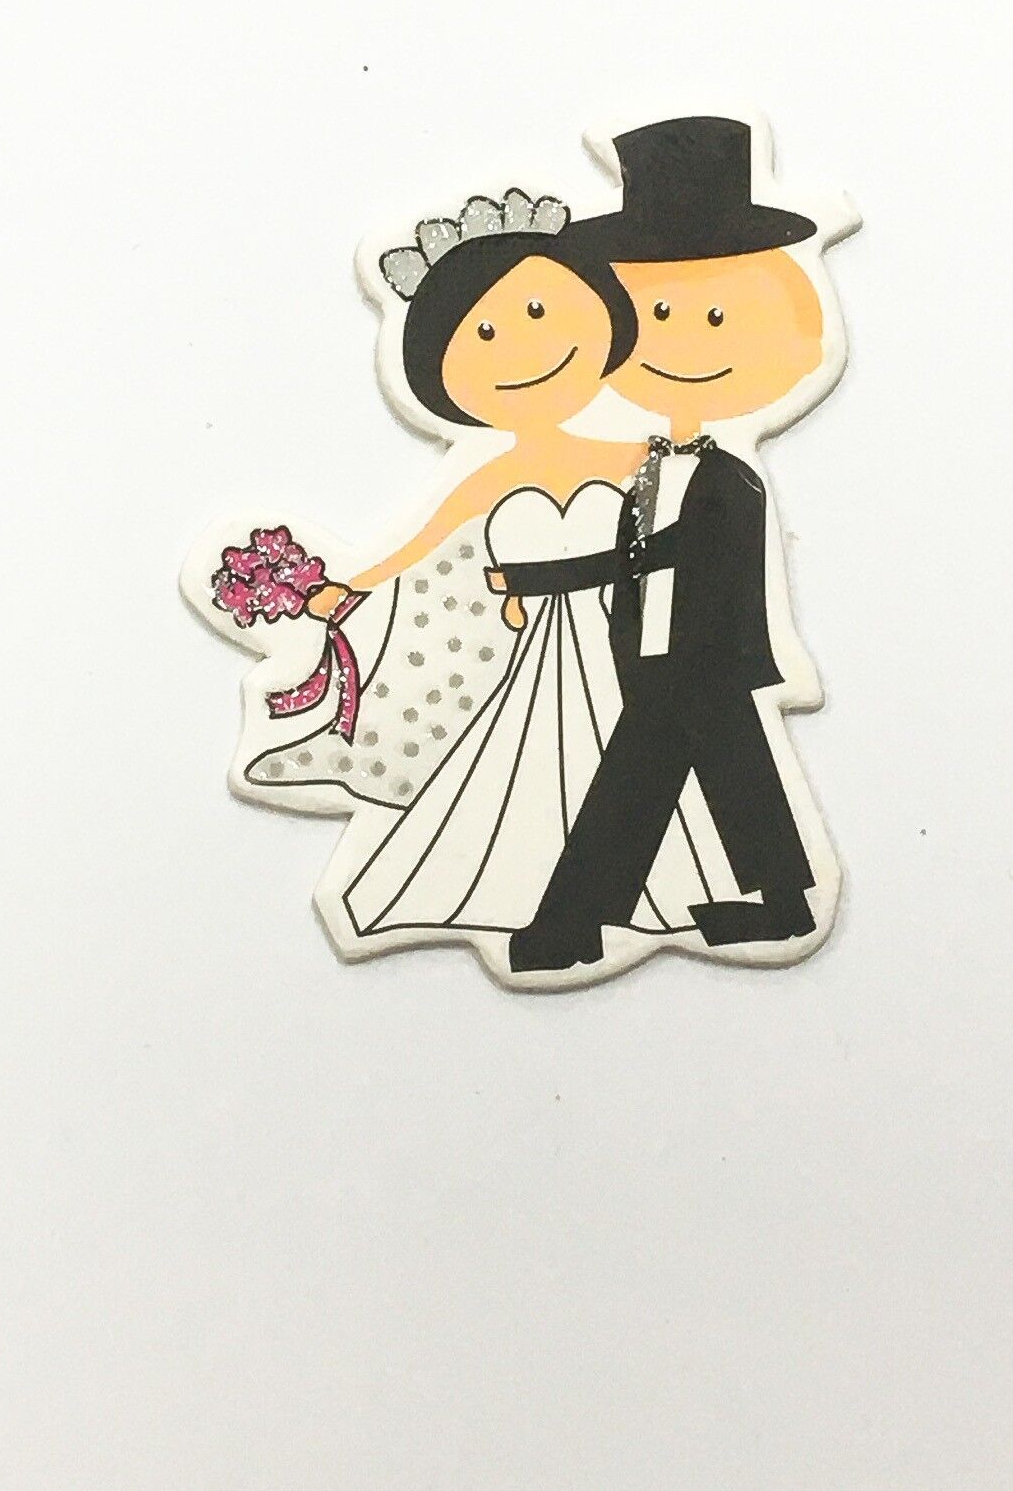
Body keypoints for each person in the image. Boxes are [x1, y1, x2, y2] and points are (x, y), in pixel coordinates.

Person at [276, 189, 740, 941]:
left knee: (643, 759)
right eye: (485, 333)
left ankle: (647, 889)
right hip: (543, 650)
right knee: (537, 762)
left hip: (632, 642)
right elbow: (417, 545)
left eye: (537, 312)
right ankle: (549, 893)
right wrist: (344, 587)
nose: (523, 346)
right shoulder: (489, 476)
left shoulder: (638, 454)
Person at [489, 118, 828, 972]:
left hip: (701, 662)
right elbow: (641, 563)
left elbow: (657, 558)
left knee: (640, 791)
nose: (681, 339)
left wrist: (539, 575)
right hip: (658, 661)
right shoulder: (648, 470)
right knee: (731, 785)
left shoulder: (728, 480)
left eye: (716, 315)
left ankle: (570, 926)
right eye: (657, 313)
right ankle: (783, 906)